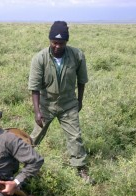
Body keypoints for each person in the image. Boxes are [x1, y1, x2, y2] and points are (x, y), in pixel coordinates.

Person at [28, 21, 94, 184]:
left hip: (68, 103)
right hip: (46, 104)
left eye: (61, 43)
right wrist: (37, 111)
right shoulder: (40, 58)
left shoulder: (77, 55)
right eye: (54, 42)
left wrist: (79, 101)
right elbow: (34, 88)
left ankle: (80, 169)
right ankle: (19, 162)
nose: (57, 46)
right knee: (34, 136)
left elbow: (82, 81)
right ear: (50, 41)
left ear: (66, 42)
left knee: (75, 136)